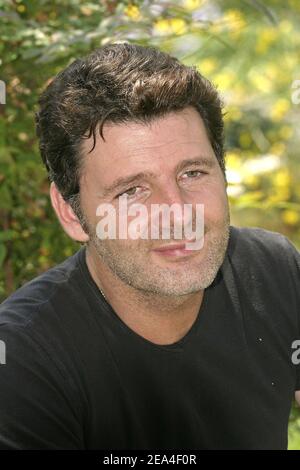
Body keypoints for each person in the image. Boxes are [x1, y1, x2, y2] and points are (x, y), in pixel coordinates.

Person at [0, 42, 299, 450]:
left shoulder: (272, 270)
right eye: (131, 191)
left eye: (193, 173)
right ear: (71, 213)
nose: (177, 213)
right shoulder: (23, 359)